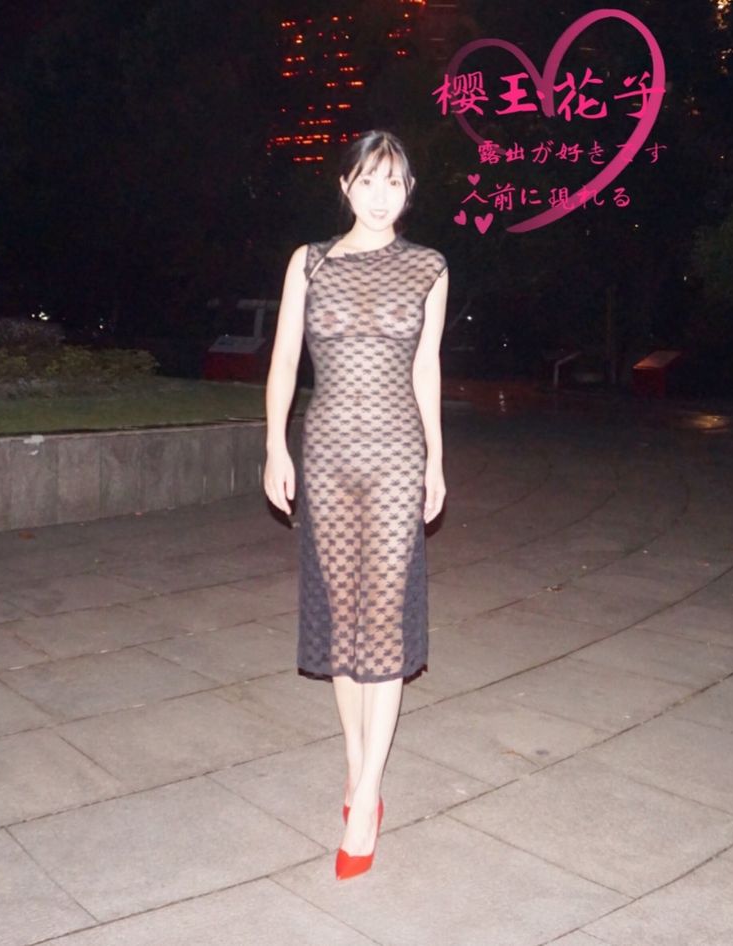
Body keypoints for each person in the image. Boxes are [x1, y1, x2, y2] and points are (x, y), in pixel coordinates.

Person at [262, 130, 448, 881]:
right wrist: (274, 445)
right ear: (344, 187)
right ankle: (354, 761)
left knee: (383, 624)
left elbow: (427, 368)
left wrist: (437, 459)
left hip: (398, 453)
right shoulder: (308, 262)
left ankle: (367, 797)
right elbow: (284, 359)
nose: (380, 195)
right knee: (345, 622)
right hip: (329, 452)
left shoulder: (429, 267)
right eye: (367, 180)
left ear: (408, 192)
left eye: (393, 182)